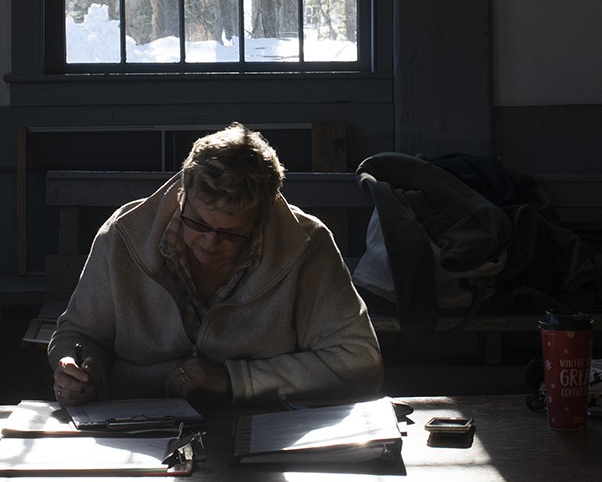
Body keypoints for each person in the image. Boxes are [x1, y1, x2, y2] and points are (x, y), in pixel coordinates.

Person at [49, 123, 383, 407]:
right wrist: (78, 369)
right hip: (135, 421)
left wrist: (235, 381)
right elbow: (77, 334)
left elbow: (360, 362)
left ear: (262, 216)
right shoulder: (124, 235)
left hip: (261, 422)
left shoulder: (307, 246)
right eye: (197, 223)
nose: (210, 243)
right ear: (183, 192)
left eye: (232, 232)